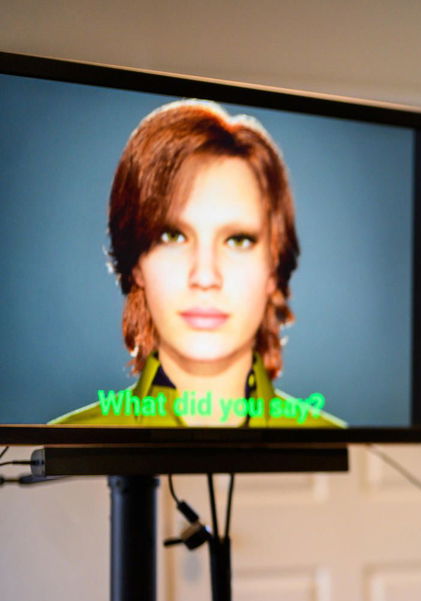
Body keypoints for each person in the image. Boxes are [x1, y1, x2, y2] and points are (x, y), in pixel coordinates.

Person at [52, 99, 344, 428]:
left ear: (274, 268)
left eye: (238, 240)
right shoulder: (65, 444)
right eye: (173, 236)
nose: (205, 276)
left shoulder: (332, 440)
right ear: (136, 263)